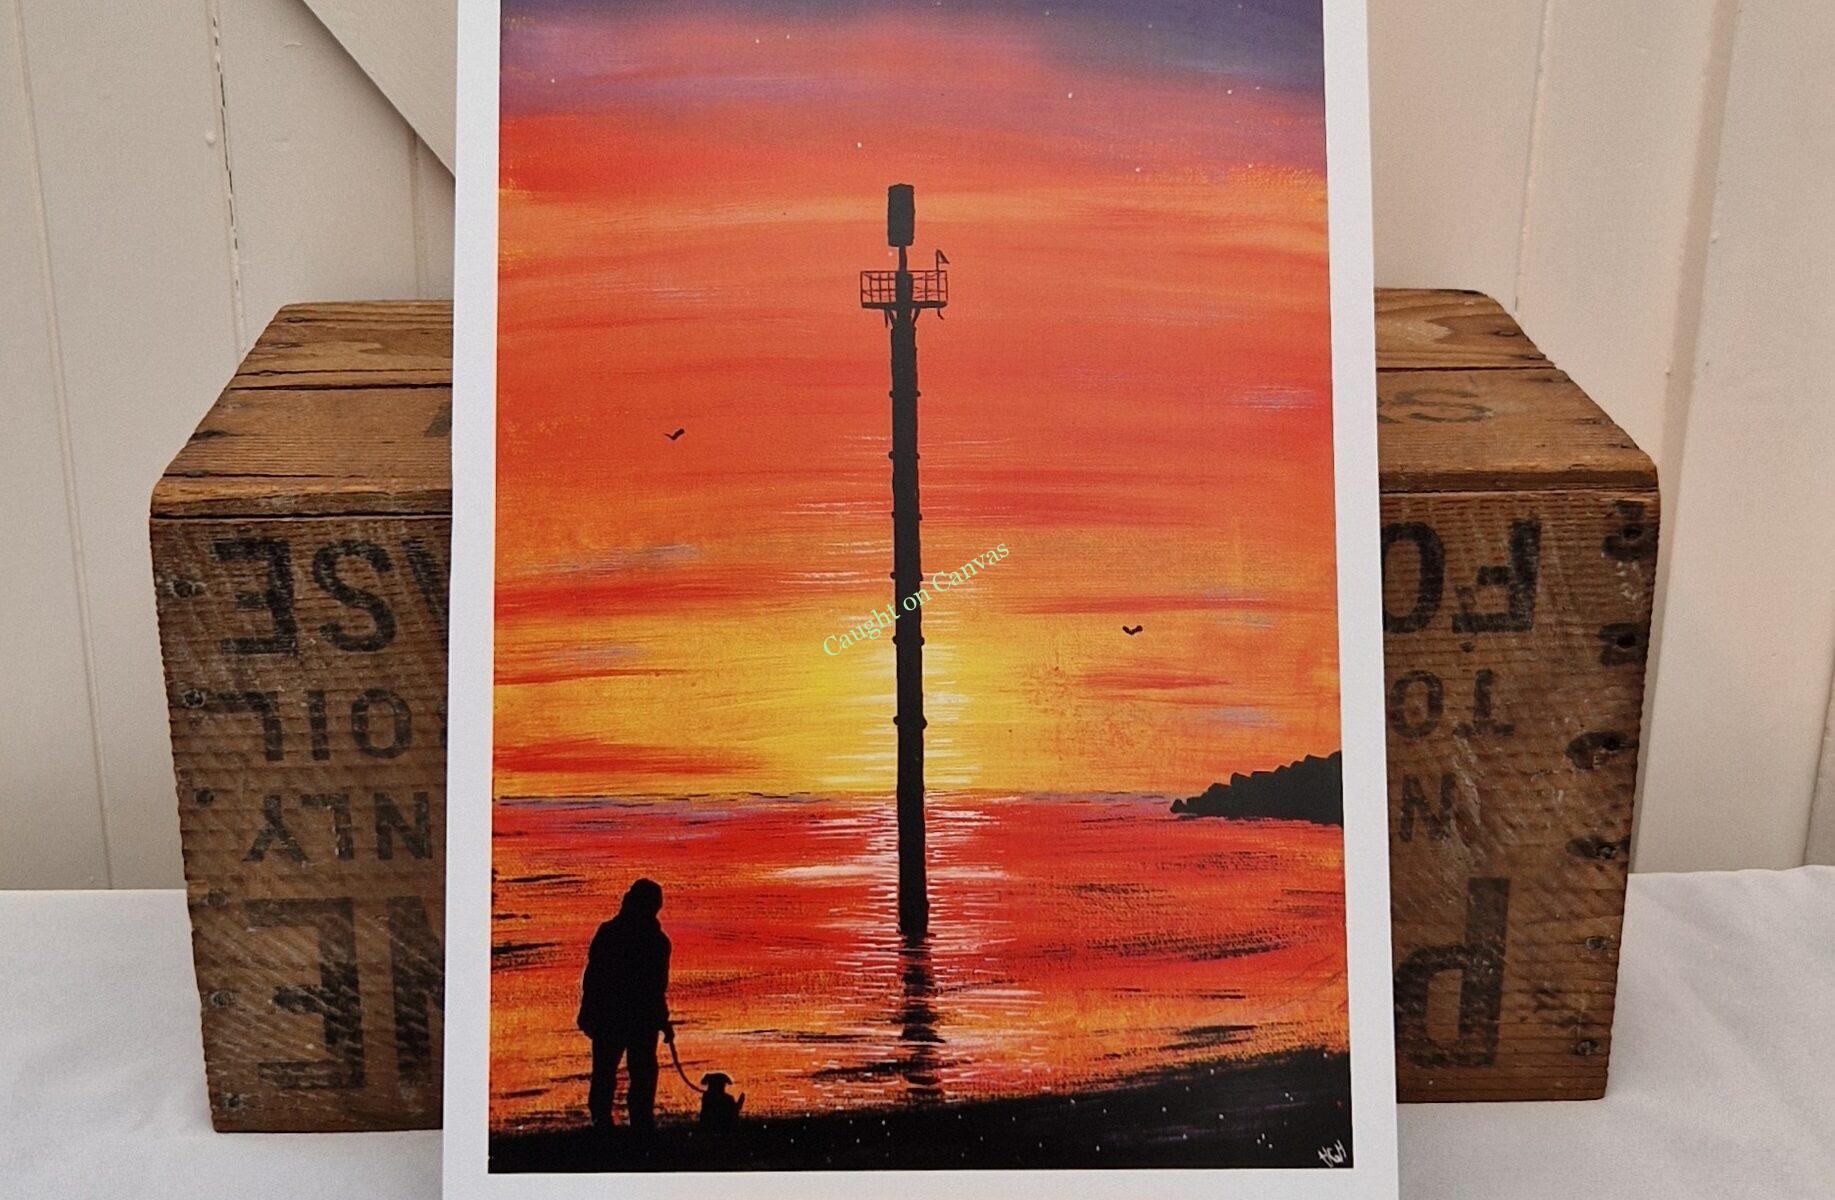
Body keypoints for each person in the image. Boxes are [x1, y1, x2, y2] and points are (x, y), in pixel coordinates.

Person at [577, 878, 675, 1134]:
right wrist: (662, 1020)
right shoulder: (656, 941)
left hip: (614, 1015)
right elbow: (655, 987)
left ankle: (607, 1123)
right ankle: (637, 1124)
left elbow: (593, 977)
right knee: (635, 1072)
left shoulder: (611, 932)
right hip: (633, 1016)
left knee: (609, 1071)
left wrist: (588, 1011)